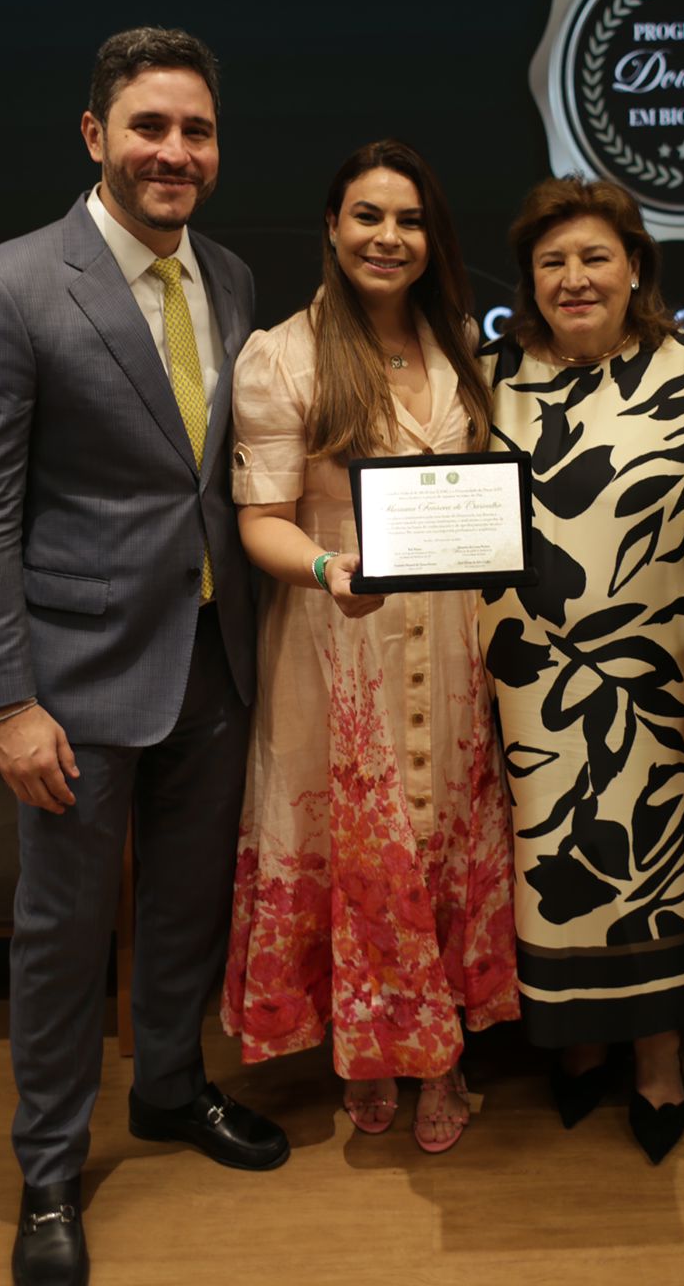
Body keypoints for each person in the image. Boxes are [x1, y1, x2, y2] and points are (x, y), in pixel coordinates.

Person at [0, 27, 288, 1286]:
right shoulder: (9, 286)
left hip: (212, 659)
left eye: (196, 130)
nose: (173, 152)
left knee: (189, 905)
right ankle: (47, 1170)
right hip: (75, 684)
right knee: (63, 934)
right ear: (96, 136)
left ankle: (171, 1086)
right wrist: (7, 703)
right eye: (149, 126)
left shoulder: (231, 277)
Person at [220, 139, 519, 1154]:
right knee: (364, 849)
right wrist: (324, 568)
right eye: (368, 215)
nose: (389, 237)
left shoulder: (461, 342)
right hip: (337, 643)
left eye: (410, 220)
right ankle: (374, 1050)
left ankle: (442, 1055)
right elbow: (261, 519)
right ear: (332, 226)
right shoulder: (283, 356)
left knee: (438, 837)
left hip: (453, 644)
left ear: (433, 238)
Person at [478, 175, 684, 1163]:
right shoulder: (491, 374)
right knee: (554, 867)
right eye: (552, 261)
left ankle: (658, 1057)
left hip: (663, 687)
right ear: (528, 278)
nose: (574, 277)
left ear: (635, 266)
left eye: (595, 256)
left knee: (657, 865)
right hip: (529, 695)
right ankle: (578, 1041)